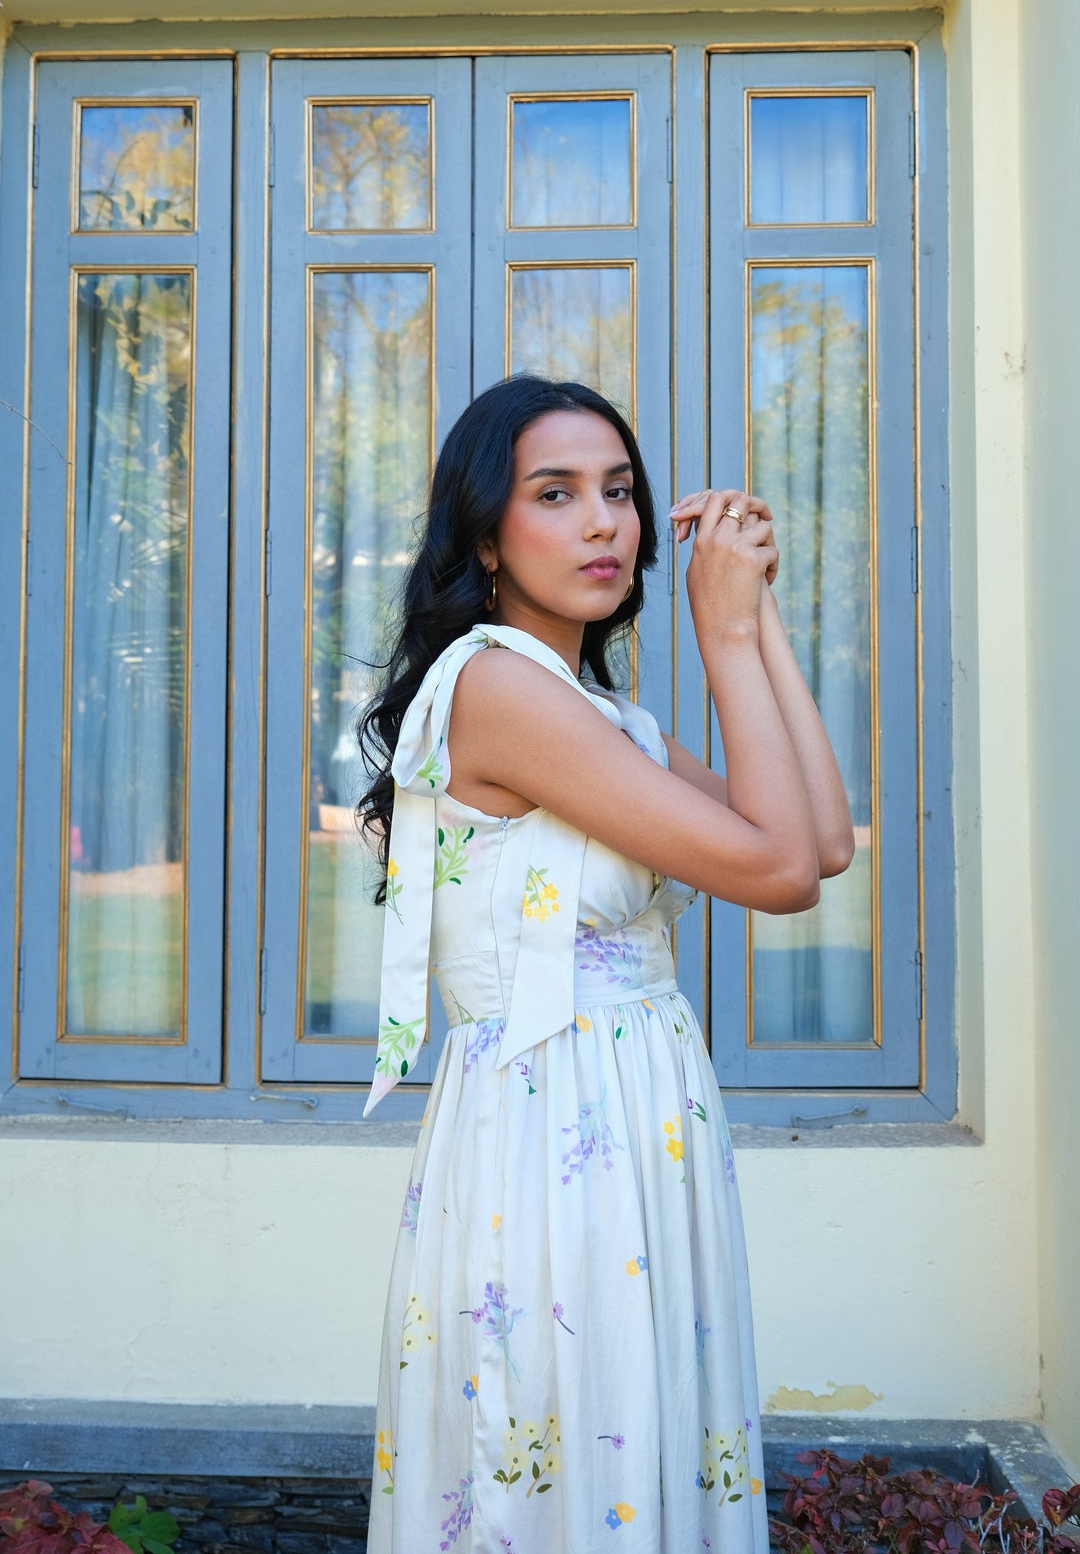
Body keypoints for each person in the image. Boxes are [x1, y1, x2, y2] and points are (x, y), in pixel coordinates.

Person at [357, 374, 854, 1554]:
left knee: (638, 1437)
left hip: (640, 1118)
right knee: (558, 1444)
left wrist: (754, 616)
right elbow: (779, 872)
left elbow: (822, 840)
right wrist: (720, 635)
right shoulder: (495, 687)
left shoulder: (599, 716)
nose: (602, 523)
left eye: (619, 492)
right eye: (556, 493)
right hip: (554, 1123)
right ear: (487, 538)